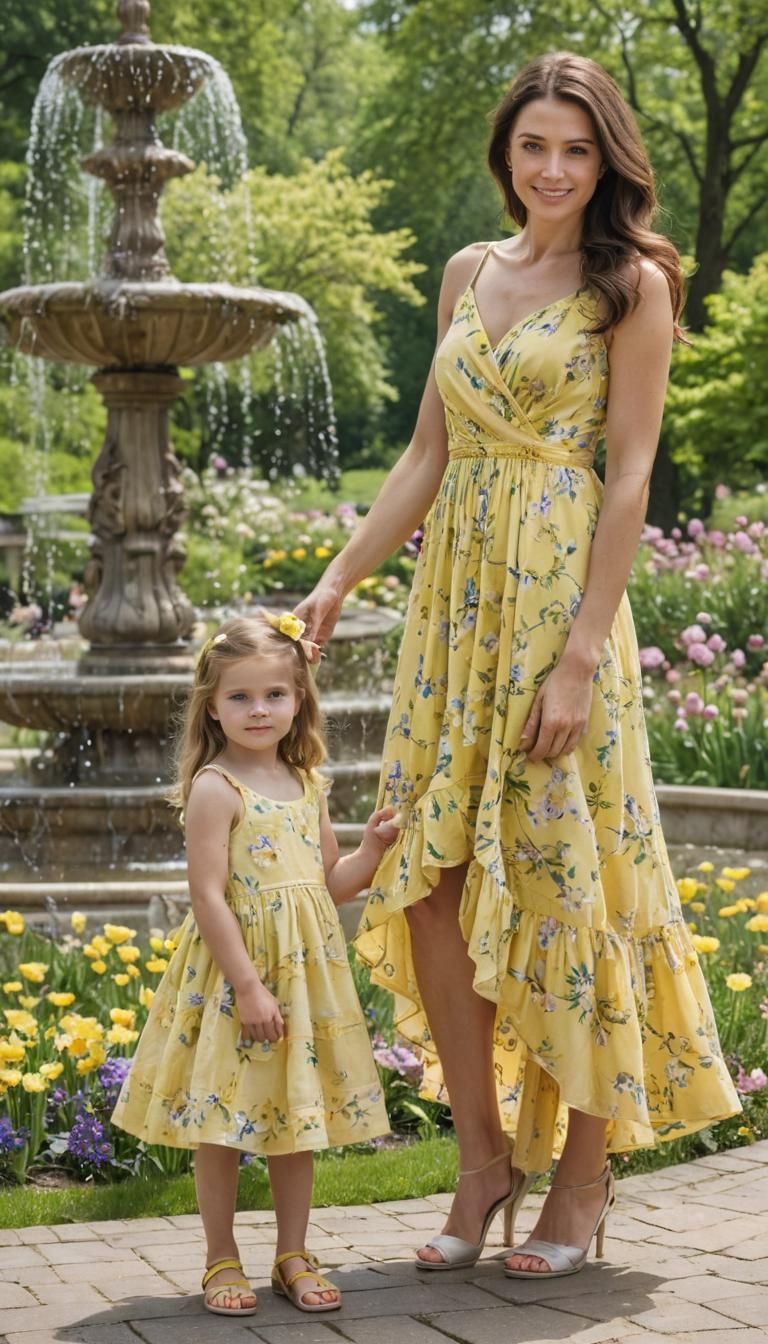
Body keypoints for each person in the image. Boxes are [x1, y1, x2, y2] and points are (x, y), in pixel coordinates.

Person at [296, 51, 740, 1280]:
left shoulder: (632, 286)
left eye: (577, 150)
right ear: (506, 156)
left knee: (568, 883)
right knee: (429, 881)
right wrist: (339, 580)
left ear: (607, 163)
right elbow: (426, 454)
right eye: (534, 146)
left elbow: (633, 472)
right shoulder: (467, 273)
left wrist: (584, 655)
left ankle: (585, 1181)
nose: (553, 169)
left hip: (558, 617)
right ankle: (484, 1161)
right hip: (453, 619)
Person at [112, 611, 397, 1314]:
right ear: (212, 705)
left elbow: (328, 882)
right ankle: (220, 1259)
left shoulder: (307, 782)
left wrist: (373, 852)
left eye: (274, 694)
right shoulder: (216, 787)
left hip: (302, 980)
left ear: (298, 697)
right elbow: (207, 896)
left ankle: (293, 1253)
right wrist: (247, 985)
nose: (258, 709)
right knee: (226, 1123)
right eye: (240, 697)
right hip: (238, 978)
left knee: (292, 1122)